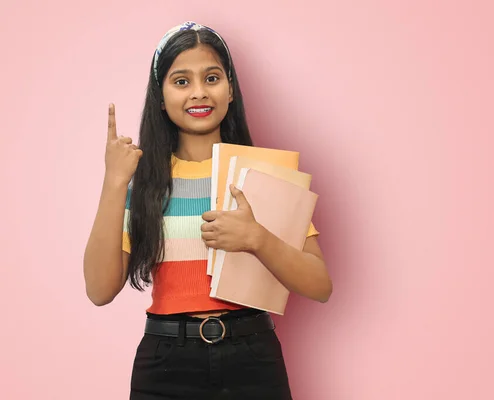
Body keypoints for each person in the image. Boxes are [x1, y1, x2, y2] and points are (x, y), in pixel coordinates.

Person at [83, 21, 332, 399]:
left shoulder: (263, 176)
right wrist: (114, 181)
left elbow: (320, 285)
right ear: (161, 96)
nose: (199, 93)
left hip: (253, 358)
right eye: (181, 81)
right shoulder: (143, 185)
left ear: (230, 89)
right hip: (165, 364)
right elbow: (100, 290)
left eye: (212, 77)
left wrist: (257, 239)